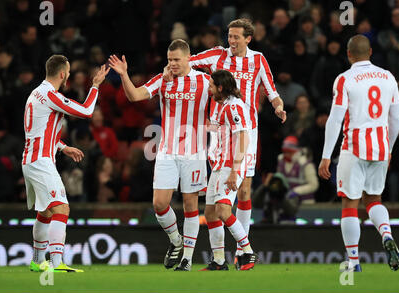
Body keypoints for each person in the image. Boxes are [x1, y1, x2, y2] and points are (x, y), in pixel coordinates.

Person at [172, 18, 286, 269]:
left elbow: (271, 89)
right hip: (220, 131)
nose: (231, 41)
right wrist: (173, 67)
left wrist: (278, 106)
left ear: (248, 39)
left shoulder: (258, 60)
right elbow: (189, 62)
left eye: (236, 37)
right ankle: (222, 257)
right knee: (214, 205)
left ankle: (243, 251)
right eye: (229, 36)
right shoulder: (216, 56)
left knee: (243, 191)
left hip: (246, 131)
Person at [108, 39, 210, 271]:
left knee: (190, 203)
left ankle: (187, 258)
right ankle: (176, 241)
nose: (172, 64)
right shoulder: (162, 81)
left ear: (188, 58)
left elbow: (226, 96)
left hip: (194, 152)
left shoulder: (204, 81)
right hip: (167, 150)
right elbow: (134, 96)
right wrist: (124, 75)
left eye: (176, 59)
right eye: (169, 60)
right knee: (160, 203)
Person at [318, 35, 399, 272]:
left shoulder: (345, 79)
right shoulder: (388, 77)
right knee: (374, 199)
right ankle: (386, 233)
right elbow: (395, 119)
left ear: (349, 54)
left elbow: (335, 119)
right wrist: (390, 149)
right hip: (380, 148)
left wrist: (326, 156)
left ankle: (353, 262)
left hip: (354, 147)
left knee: (350, 203)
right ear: (371, 52)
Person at [24, 54, 109, 272]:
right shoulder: (51, 95)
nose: (69, 75)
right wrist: (95, 86)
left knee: (45, 212)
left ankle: (36, 261)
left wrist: (63, 147)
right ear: (62, 74)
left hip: (32, 160)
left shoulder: (36, 93)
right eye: (68, 72)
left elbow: (39, 131)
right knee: (62, 208)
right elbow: (87, 111)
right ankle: (56, 262)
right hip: (40, 161)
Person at [201, 69, 257, 271]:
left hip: (230, 165)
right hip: (218, 165)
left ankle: (248, 251)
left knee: (223, 210)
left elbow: (243, 138)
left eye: (211, 86)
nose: (209, 89)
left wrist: (235, 170)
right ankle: (218, 261)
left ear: (220, 87)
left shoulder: (234, 107)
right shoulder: (224, 105)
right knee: (210, 212)